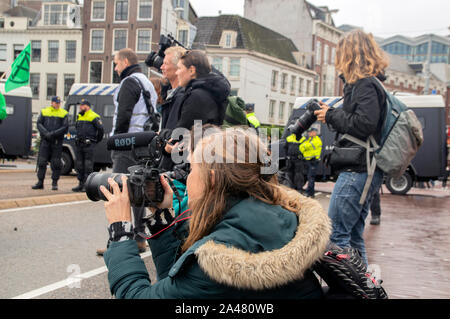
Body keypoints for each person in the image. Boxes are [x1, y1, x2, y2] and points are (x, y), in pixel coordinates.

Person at [100, 127, 331, 299]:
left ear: (211, 179)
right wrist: (165, 219)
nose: (187, 178)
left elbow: (138, 296)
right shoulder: (284, 217)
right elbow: (176, 286)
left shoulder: (217, 262)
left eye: (191, 169)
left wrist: (121, 233)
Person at [314, 30, 388, 265]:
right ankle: (363, 289)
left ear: (350, 54)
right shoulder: (365, 84)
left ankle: (347, 290)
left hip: (359, 169)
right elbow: (361, 120)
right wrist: (335, 112)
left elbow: (365, 124)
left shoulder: (365, 85)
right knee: (354, 236)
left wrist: (332, 115)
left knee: (336, 235)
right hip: (363, 168)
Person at [96, 48, 158, 256]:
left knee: (117, 189)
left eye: (116, 63)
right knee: (136, 190)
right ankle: (139, 236)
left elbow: (123, 114)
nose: (115, 67)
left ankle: (118, 241)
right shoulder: (147, 82)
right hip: (142, 143)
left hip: (127, 143)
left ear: (124, 61)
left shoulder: (129, 82)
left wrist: (116, 141)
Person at [32, 96, 68, 191]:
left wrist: (52, 134)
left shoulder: (63, 113)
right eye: (56, 102)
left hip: (56, 142)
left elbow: (65, 127)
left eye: (59, 103)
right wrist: (46, 134)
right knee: (42, 162)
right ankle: (40, 182)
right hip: (45, 141)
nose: (57, 104)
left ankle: (54, 183)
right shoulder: (44, 111)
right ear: (52, 103)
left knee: (56, 164)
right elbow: (39, 123)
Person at [72, 99, 104, 192]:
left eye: (82, 105)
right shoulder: (79, 116)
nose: (80, 107)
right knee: (79, 165)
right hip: (79, 145)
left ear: (87, 106)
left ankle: (87, 186)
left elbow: (101, 130)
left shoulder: (94, 116)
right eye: (80, 105)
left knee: (88, 166)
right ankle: (80, 184)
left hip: (89, 145)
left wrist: (96, 140)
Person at [300, 128, 322, 198]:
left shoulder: (317, 140)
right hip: (309, 161)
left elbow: (305, 146)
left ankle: (309, 193)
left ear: (314, 132)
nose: (309, 133)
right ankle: (310, 193)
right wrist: (304, 147)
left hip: (313, 161)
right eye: (308, 132)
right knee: (309, 177)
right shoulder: (310, 140)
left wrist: (304, 147)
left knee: (311, 178)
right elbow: (301, 147)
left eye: (310, 132)